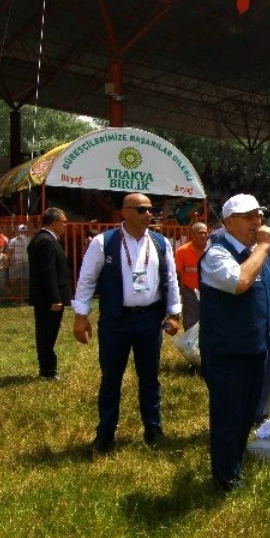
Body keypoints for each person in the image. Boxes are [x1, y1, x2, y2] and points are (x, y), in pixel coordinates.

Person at [73, 193, 182, 454]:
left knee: (150, 377)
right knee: (111, 378)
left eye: (150, 210)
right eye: (142, 210)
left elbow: (171, 278)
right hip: (115, 321)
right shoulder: (104, 242)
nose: (149, 215)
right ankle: (106, 434)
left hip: (149, 319)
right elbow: (87, 279)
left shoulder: (160, 243)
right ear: (125, 212)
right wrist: (81, 316)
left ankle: (153, 430)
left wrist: (174, 313)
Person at [199, 194, 270, 491]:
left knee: (248, 413)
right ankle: (224, 475)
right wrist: (263, 246)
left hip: (255, 347)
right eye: (248, 217)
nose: (257, 222)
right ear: (230, 221)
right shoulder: (217, 254)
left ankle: (234, 462)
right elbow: (239, 282)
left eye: (258, 215)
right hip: (227, 351)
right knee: (228, 415)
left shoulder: (257, 253)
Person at [27, 207, 71, 380]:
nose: (65, 226)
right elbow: (48, 271)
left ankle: (47, 368)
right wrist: (55, 298)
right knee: (47, 334)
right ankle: (48, 370)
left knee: (47, 333)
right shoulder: (46, 241)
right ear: (54, 223)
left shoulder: (43, 239)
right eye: (64, 222)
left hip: (45, 298)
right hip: (48, 299)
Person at [175, 222, 209, 331]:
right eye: (200, 233)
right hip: (190, 291)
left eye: (205, 233)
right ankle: (191, 346)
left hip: (210, 291)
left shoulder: (213, 250)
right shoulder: (182, 251)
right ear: (192, 235)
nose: (203, 235)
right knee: (191, 322)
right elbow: (176, 272)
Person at [6, 224, 30, 301]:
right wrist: (10, 259)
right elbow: (9, 252)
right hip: (16, 263)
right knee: (15, 280)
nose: (22, 233)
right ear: (17, 232)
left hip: (26, 262)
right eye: (21, 231)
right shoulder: (13, 241)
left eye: (24, 232)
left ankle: (25, 297)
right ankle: (16, 297)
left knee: (26, 280)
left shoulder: (29, 240)